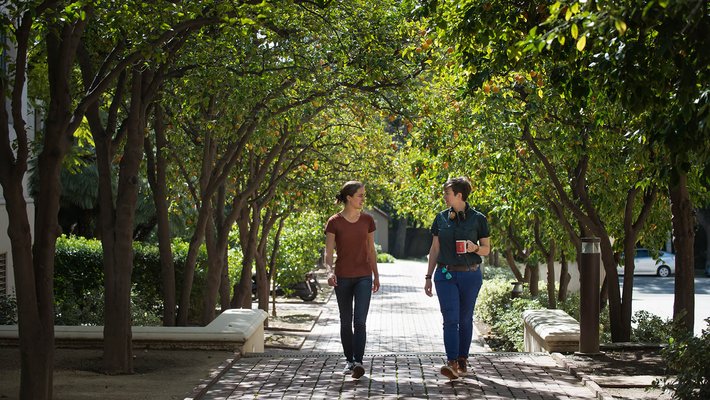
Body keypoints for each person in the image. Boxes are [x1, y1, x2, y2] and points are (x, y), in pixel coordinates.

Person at [424, 177, 491, 380]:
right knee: (450, 319)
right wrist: (428, 276)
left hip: (470, 274)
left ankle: (463, 359)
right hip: (445, 275)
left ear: (459, 195)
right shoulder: (440, 218)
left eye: (447, 193)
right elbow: (435, 248)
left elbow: (487, 249)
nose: (444, 197)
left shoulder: (479, 219)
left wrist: (475, 248)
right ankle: (451, 361)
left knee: (465, 318)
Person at [324, 181, 380, 379]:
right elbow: (328, 252)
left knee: (360, 322)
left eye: (363, 195)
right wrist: (330, 272)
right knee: (346, 322)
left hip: (364, 276)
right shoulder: (334, 222)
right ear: (349, 197)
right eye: (360, 195)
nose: (363, 198)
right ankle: (349, 360)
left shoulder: (368, 220)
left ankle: (358, 361)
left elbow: (371, 250)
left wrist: (376, 275)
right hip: (343, 278)